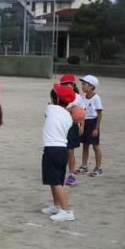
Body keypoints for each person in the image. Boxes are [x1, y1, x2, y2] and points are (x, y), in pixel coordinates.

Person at [41, 84, 75, 221]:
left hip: (52, 149)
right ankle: (56, 206)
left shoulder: (51, 108)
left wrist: (51, 102)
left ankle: (67, 211)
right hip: (61, 150)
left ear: (55, 98)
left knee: (55, 182)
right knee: (54, 179)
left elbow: (47, 112)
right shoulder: (68, 115)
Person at [60, 73, 85, 186]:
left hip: (72, 126)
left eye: (68, 84)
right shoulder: (58, 96)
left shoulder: (78, 97)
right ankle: (60, 172)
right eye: (63, 84)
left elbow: (82, 111)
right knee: (61, 151)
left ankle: (71, 174)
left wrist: (82, 125)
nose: (66, 86)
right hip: (60, 126)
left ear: (73, 84)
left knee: (70, 151)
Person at [77, 75, 103, 177]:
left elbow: (100, 114)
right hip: (85, 123)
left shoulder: (96, 98)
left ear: (91, 86)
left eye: (84, 84)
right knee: (85, 145)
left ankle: (98, 168)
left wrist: (96, 128)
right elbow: (82, 113)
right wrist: (81, 126)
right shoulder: (83, 98)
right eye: (82, 84)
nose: (82, 86)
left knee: (95, 146)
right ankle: (84, 166)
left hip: (93, 123)